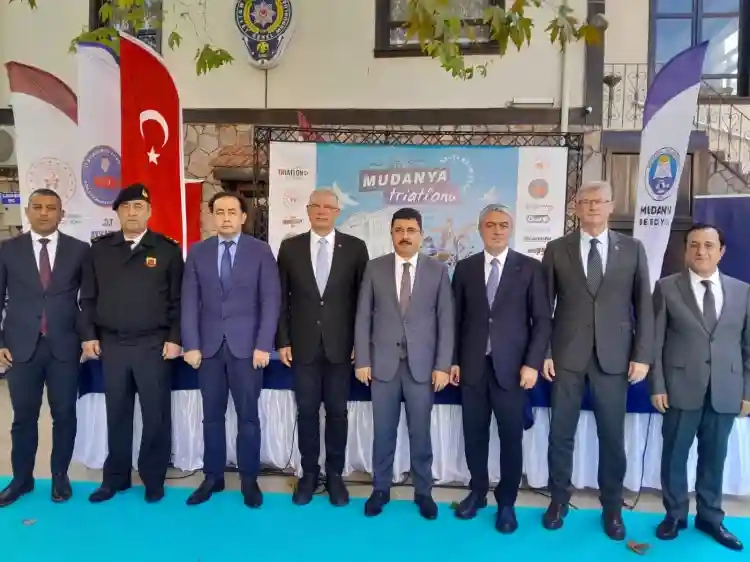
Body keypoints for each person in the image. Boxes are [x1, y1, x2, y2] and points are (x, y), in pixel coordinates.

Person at [541, 180, 654, 540]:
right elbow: (543, 308)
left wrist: (642, 355)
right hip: (566, 354)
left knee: (612, 436)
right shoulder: (556, 249)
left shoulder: (633, 249)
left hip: (615, 356)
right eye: (585, 201)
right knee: (561, 433)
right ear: (575, 207)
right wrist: (545, 352)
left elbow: (644, 305)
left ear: (611, 206)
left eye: (599, 201)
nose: (592, 206)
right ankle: (559, 500)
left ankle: (612, 507)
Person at [80, 184, 184, 504]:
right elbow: (88, 298)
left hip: (153, 345)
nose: (132, 212)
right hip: (112, 345)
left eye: (139, 207)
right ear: (117, 213)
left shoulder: (167, 250)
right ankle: (116, 479)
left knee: (155, 416)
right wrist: (88, 335)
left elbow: (178, 300)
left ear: (149, 212)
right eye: (126, 207)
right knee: (117, 414)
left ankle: (153, 479)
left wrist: (175, 338)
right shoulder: (99, 250)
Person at [450, 204, 551, 533]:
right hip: (472, 368)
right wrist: (453, 360)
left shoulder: (530, 268)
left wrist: (532, 364)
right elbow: (455, 319)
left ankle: (506, 502)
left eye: (503, 225)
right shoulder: (464, 268)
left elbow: (542, 321)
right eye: (490, 224)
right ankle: (477, 492)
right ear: (480, 229)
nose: (496, 230)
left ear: (511, 229)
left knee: (510, 438)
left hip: (513, 370)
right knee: (474, 435)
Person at [650, 224, 749, 551]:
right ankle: (675, 515)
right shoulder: (666, 288)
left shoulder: (743, 291)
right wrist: (658, 385)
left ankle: (710, 518)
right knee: (674, 456)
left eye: (708, 245)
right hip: (679, 388)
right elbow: (655, 343)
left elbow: (748, 347)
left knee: (714, 457)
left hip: (726, 389)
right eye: (694, 245)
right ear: (685, 250)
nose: (701, 251)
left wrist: (747, 392)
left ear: (721, 251)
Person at [181, 192, 281, 508]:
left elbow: (271, 300)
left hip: (248, 349)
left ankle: (249, 481)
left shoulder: (260, 251)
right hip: (209, 349)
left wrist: (263, 345)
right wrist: (191, 344)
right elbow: (188, 301)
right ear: (212, 216)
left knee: (248, 418)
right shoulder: (198, 252)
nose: (225, 217)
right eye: (220, 212)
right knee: (211, 417)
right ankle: (213, 477)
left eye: (231, 212)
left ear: (243, 217)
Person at [354, 207, 453, 520]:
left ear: (421, 235)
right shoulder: (375, 267)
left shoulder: (438, 270)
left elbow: (446, 321)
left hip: (422, 368)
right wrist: (362, 359)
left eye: (411, 230)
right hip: (382, 366)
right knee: (382, 432)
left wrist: (442, 365)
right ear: (391, 234)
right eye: (399, 230)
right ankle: (380, 489)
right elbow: (362, 316)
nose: (405, 236)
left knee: (420, 434)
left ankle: (423, 492)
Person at [276, 189, 369, 506]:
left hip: (341, 347)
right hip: (302, 347)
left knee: (337, 413)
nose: (321, 210)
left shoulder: (355, 248)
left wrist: (360, 342)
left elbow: (363, 301)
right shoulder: (290, 248)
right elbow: (280, 298)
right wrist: (283, 340)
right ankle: (309, 475)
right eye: (315, 205)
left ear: (337, 212)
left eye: (328, 206)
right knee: (306, 412)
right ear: (307, 209)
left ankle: (335, 476)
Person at [0, 189, 88, 507]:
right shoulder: (7, 250)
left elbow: (88, 300)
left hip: (64, 346)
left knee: (64, 415)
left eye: (51, 208)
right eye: (37, 207)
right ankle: (21, 479)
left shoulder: (80, 250)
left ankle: (60, 476)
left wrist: (87, 337)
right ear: (27, 211)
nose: (44, 212)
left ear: (61, 214)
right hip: (20, 347)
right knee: (23, 417)